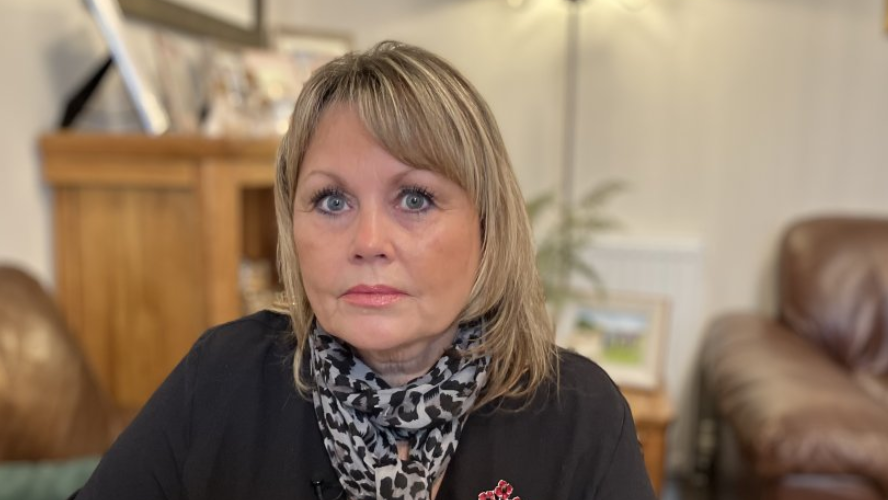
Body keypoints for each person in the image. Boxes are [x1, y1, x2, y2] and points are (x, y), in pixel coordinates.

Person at [72, 41, 655, 500]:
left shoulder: (579, 415)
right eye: (332, 201)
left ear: (487, 225)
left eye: (416, 199)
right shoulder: (220, 378)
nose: (369, 242)